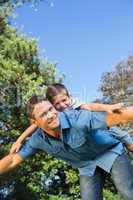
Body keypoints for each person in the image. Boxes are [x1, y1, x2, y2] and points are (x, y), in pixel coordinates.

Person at [1, 96, 133, 200]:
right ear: (34, 123)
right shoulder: (38, 140)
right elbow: (13, 160)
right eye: (43, 114)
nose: (51, 115)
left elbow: (120, 116)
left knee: (127, 192)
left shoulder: (77, 119)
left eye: (51, 109)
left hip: (110, 152)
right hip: (86, 166)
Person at [10, 83, 124, 154]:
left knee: (117, 133)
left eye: (64, 100)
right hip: (81, 139)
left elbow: (91, 106)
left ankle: (127, 143)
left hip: (90, 127)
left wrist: (108, 107)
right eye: (57, 104)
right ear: (52, 105)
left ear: (69, 96)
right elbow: (33, 127)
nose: (62, 105)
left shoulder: (74, 103)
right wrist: (18, 141)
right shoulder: (54, 114)